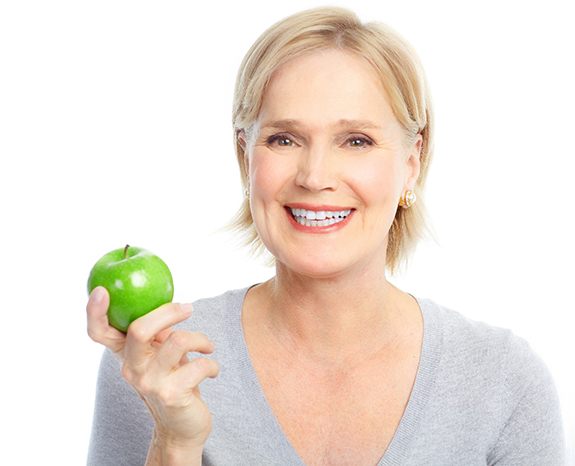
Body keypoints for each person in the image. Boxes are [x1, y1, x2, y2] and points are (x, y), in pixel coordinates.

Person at [86, 6, 566, 466]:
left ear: (411, 163)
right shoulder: (158, 364)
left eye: (356, 140)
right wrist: (175, 442)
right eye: (283, 139)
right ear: (245, 158)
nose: (315, 176)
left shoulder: (504, 380)